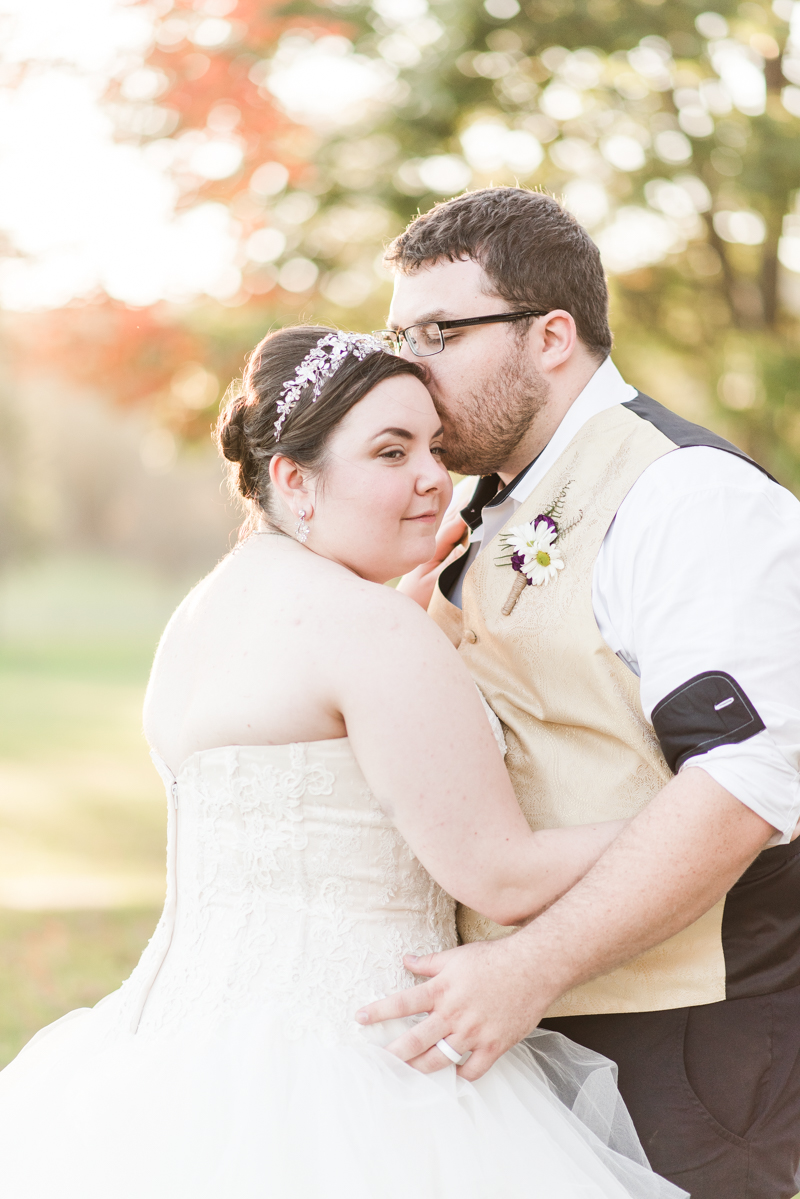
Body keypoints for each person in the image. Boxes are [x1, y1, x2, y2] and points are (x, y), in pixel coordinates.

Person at [0, 325, 683, 1199]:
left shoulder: (202, 616)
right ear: (294, 479)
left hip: (169, 1056)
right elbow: (503, 876)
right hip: (366, 1069)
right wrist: (698, 810)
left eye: (435, 446)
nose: (434, 477)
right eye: (391, 451)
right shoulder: (371, 632)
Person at [356, 186, 800, 1199]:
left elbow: (748, 780)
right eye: (396, 333)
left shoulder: (685, 496)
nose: (404, 365)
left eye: (436, 331)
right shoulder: (480, 506)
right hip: (525, 1027)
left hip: (680, 1042)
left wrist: (527, 968)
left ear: (549, 335)